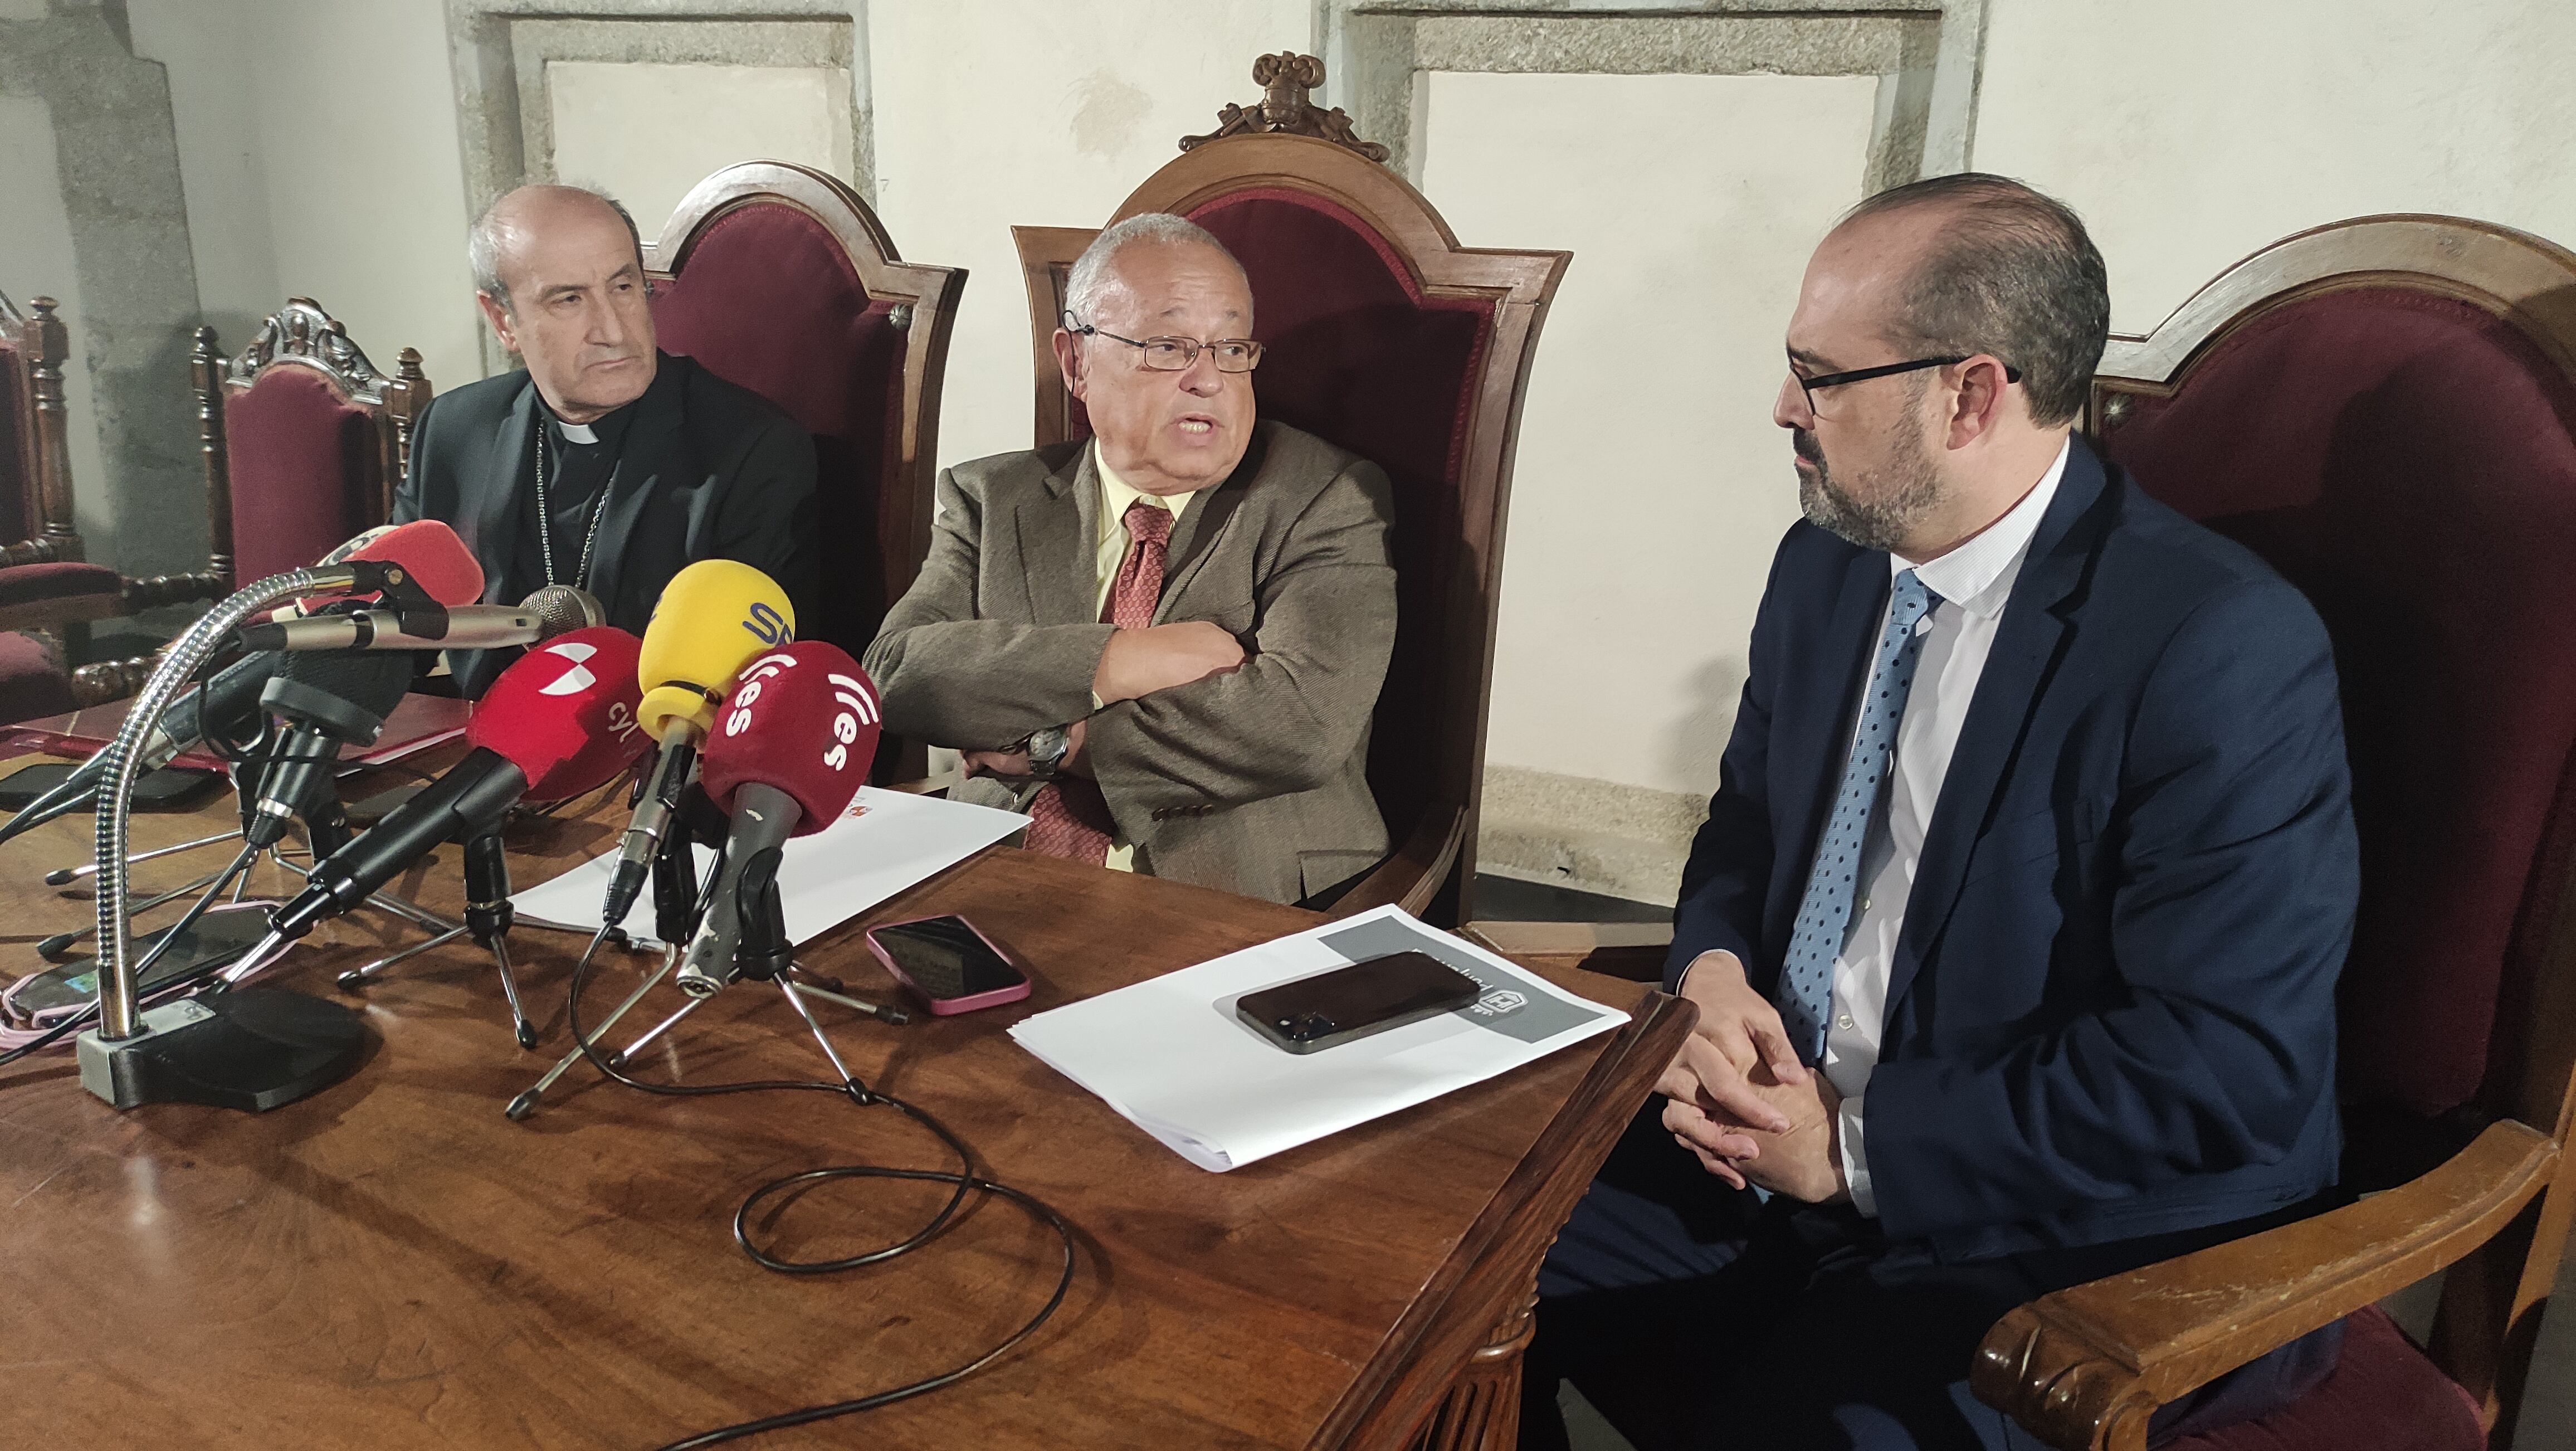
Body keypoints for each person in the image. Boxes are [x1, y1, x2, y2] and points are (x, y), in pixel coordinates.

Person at [1520, 175, 2360, 1450]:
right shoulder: (1825, 563)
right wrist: (1709, 969)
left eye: (1817, 375)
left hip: (2058, 1222)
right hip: (1767, 1132)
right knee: (1418, 1281)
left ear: (1970, 393)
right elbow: (1745, 827)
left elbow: (2223, 1066)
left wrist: (1850, 1151)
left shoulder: (2215, 645)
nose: (1780, 409)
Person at [864, 213, 1396, 906]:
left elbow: (1299, 727)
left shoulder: (1325, 497)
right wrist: (1117, 661)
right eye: (1169, 346)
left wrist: (1056, 745)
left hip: (1239, 899)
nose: (1209, 380)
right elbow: (894, 672)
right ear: (1076, 362)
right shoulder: (991, 498)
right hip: (994, 879)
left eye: (1232, 348)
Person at [394, 183, 818, 695]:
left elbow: (754, 687)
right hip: (478, 746)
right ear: (503, 321)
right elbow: (395, 624)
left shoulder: (749, 452)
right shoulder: (455, 431)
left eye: (623, 288)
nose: (613, 331)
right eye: (569, 299)